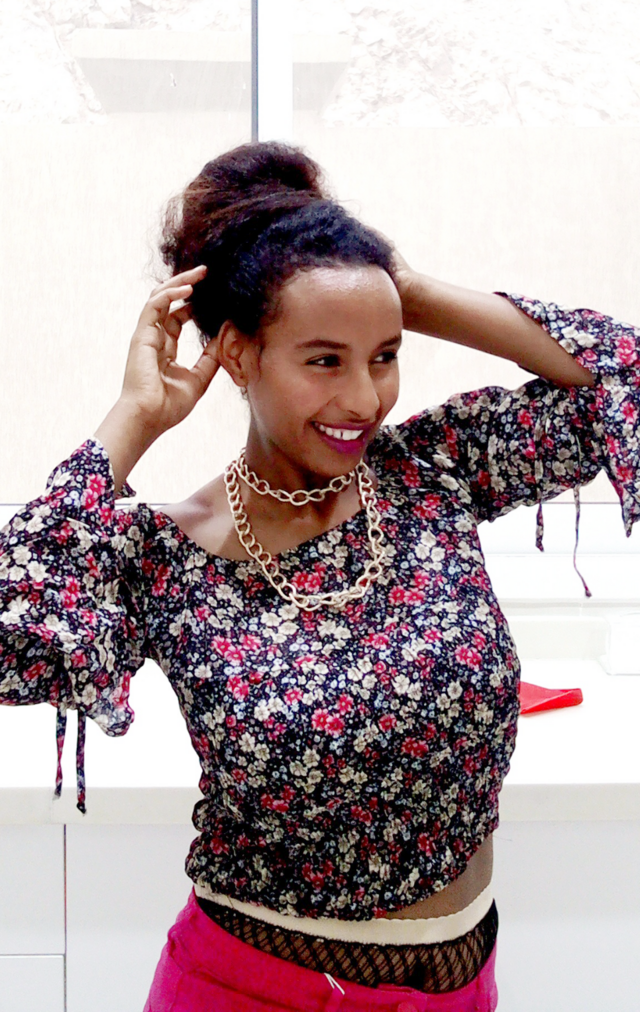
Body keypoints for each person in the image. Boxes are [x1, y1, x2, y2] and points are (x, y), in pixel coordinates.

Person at [2, 140, 639, 1012]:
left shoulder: (431, 471)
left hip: (460, 989)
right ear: (237, 355)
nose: (365, 399)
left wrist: (401, 288)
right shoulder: (165, 554)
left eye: (385, 354)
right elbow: (16, 625)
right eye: (324, 359)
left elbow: (620, 376)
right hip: (249, 988)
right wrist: (135, 416)